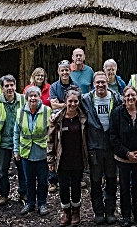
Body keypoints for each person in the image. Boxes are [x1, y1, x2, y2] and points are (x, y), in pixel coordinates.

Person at [81, 71, 121, 225]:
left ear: (108, 82)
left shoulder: (117, 98)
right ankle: (98, 211)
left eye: (103, 82)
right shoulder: (86, 99)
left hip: (111, 147)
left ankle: (110, 211)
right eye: (97, 82)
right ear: (93, 84)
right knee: (95, 181)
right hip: (95, 148)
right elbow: (70, 106)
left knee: (111, 180)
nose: (100, 85)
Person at [110, 86, 137, 227]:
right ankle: (126, 216)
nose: (130, 98)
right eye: (127, 95)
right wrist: (126, 153)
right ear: (123, 98)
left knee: (136, 186)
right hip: (123, 158)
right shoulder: (117, 113)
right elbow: (113, 136)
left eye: (133, 95)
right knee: (124, 187)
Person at [48, 89, 88, 226]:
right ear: (65, 102)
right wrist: (51, 159)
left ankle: (76, 212)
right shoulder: (58, 119)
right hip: (62, 159)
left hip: (78, 159)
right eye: (70, 101)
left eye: (75, 101)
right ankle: (66, 212)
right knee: (63, 187)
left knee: (76, 186)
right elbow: (51, 140)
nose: (73, 104)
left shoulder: (83, 117)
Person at [0, 75, 26, 206]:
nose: (10, 88)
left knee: (22, 169)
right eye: (6, 86)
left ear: (15, 86)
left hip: (20, 142)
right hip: (2, 142)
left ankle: (24, 192)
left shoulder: (23, 99)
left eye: (12, 85)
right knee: (3, 171)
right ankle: (4, 194)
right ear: (2, 88)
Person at [14, 86, 52, 216]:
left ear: (40, 97)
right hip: (26, 152)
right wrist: (16, 150)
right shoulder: (20, 112)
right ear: (27, 98)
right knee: (28, 180)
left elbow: (51, 133)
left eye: (36, 95)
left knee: (42, 180)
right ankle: (30, 203)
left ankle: (42, 203)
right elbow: (16, 132)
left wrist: (51, 152)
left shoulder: (47, 111)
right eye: (31, 96)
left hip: (41, 151)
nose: (33, 98)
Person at [49, 60, 77, 192]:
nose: (65, 72)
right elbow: (53, 105)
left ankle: (77, 178)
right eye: (62, 70)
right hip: (57, 121)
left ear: (70, 71)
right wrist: (66, 105)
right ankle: (53, 180)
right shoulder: (54, 86)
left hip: (72, 118)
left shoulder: (75, 85)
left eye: (67, 70)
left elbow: (76, 103)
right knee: (55, 145)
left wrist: (61, 104)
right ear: (58, 71)